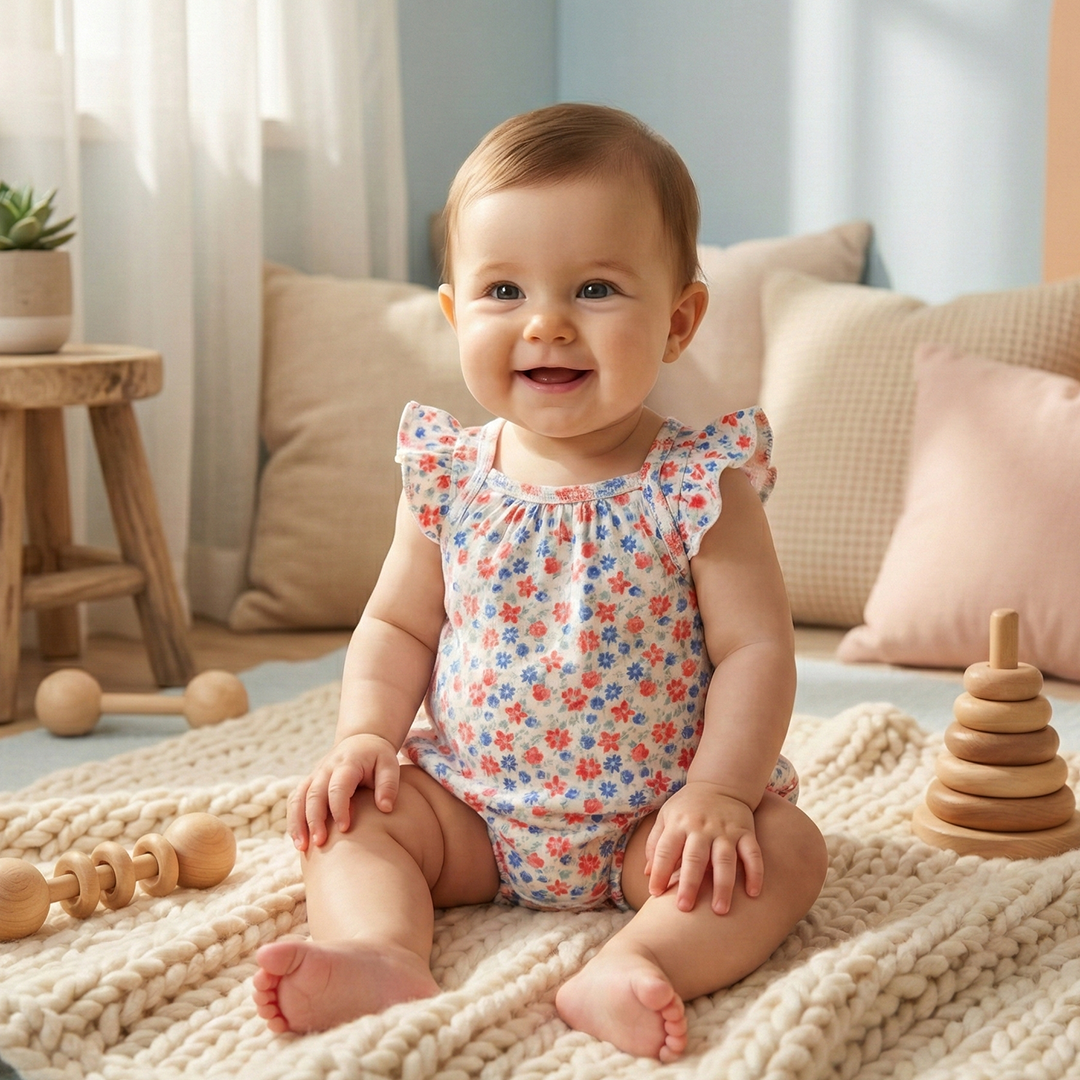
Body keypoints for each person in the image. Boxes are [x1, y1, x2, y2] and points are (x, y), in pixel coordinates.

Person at [254, 103, 828, 1062]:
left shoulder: (695, 483)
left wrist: (721, 793)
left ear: (679, 319)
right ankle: (377, 951)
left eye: (596, 287)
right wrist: (366, 736)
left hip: (658, 819)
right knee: (348, 818)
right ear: (454, 314)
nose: (548, 324)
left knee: (786, 853)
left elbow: (756, 649)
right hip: (472, 810)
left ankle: (639, 961)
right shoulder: (449, 474)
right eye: (505, 290)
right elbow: (397, 626)